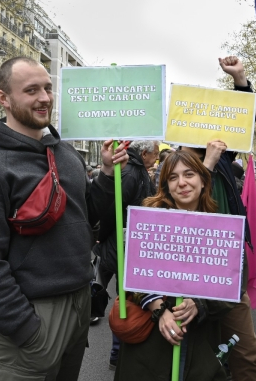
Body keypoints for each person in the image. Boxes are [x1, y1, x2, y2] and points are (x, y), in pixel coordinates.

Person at [0, 56, 129, 380]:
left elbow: (92, 217)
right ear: (3, 98)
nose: (45, 98)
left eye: (48, 88)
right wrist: (27, 330)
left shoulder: (66, 153)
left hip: (78, 308)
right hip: (32, 316)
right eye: (31, 90)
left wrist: (106, 172)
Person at [114, 151, 231, 381]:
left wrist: (199, 303)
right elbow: (132, 275)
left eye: (189, 174)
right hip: (149, 349)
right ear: (166, 185)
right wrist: (159, 308)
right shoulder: (149, 220)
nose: (182, 183)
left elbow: (233, 284)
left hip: (199, 345)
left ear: (203, 179)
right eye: (173, 177)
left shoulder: (221, 226)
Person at [179, 55, 256, 381]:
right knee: (198, 355)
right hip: (190, 275)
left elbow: (242, 121)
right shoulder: (175, 166)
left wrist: (239, 78)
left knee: (245, 352)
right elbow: (178, 212)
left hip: (227, 273)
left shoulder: (225, 157)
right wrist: (205, 166)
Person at [95, 139, 159, 370]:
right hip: (122, 246)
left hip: (128, 243)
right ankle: (117, 352)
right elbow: (113, 209)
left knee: (127, 296)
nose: (156, 159)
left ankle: (120, 350)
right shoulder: (132, 173)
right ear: (144, 153)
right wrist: (101, 237)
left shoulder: (137, 170)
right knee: (126, 299)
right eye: (155, 155)